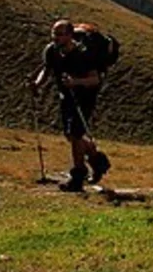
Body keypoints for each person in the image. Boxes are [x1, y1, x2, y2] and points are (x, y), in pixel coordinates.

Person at [29, 19, 112, 192]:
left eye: (60, 34)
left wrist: (76, 82)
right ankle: (97, 160)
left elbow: (95, 79)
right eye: (54, 34)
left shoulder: (84, 54)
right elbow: (47, 69)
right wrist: (37, 84)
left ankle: (78, 176)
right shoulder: (51, 51)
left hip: (85, 96)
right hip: (66, 95)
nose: (55, 38)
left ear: (70, 35)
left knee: (75, 134)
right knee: (71, 135)